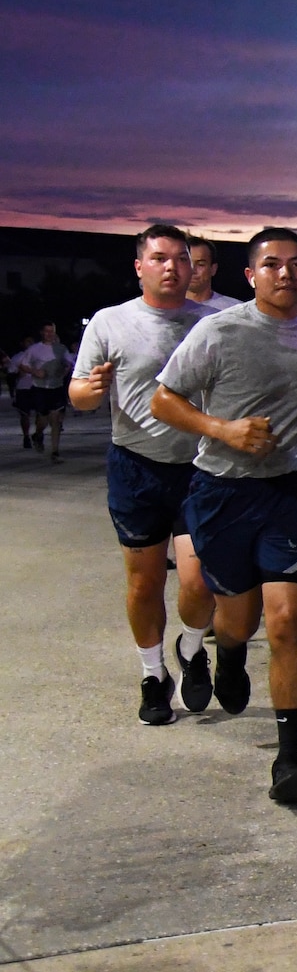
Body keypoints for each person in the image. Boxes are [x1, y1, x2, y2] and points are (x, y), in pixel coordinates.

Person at [151, 228, 297, 804]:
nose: (285, 274)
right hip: (223, 493)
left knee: (288, 620)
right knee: (237, 620)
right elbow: (164, 399)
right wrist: (222, 430)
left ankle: (290, 759)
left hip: (293, 493)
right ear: (250, 276)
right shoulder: (219, 330)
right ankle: (230, 654)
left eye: (296, 264)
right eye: (271, 264)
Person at [68, 224, 220, 725]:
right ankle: (153, 677)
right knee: (144, 582)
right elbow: (80, 397)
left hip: (202, 468)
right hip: (136, 467)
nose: (173, 267)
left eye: (182, 259)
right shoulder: (110, 323)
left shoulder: (217, 321)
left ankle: (193, 648)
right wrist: (92, 389)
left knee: (199, 582)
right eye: (159, 258)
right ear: (140, 266)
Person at [15, 322, 75, 461]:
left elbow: (70, 363)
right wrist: (35, 371)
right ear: (42, 333)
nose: (49, 334)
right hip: (40, 388)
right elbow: (22, 365)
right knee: (43, 419)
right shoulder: (34, 349)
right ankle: (38, 434)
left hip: (56, 387)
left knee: (56, 420)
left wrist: (65, 370)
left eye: (52, 331)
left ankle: (55, 451)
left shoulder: (61, 348)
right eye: (47, 331)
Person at [185, 238, 241, 310]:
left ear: (213, 269)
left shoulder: (235, 309)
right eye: (187, 263)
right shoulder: (167, 307)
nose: (192, 270)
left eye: (200, 264)